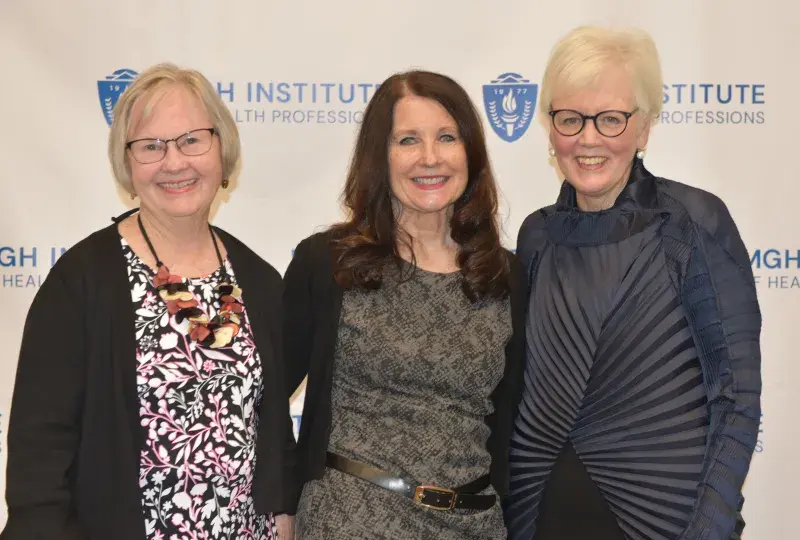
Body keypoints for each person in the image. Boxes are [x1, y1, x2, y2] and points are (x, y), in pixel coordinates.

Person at [2, 63, 296, 540]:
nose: (174, 162)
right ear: (128, 164)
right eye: (151, 146)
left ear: (222, 149)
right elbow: (40, 450)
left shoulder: (259, 281)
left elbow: (275, 436)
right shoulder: (81, 281)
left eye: (192, 140)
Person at [505, 26, 762, 540]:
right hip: (541, 515)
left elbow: (735, 398)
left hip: (666, 521)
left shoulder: (692, 222)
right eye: (570, 118)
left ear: (643, 128)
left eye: (611, 118)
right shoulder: (536, 235)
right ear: (550, 128)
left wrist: (707, 531)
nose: (589, 138)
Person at [284, 70, 526, 539]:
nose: (430, 157)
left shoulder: (504, 275)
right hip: (350, 520)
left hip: (474, 524)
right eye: (408, 140)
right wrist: (279, 505)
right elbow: (266, 399)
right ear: (380, 155)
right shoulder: (328, 263)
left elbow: (509, 419)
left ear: (471, 152)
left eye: (447, 137)